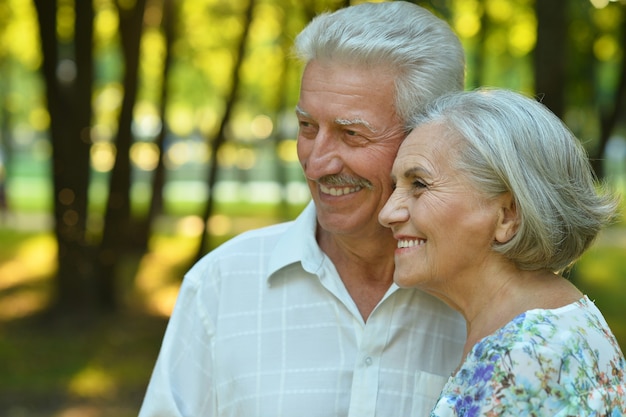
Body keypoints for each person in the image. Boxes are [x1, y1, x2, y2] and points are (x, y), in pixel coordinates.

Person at [139, 2, 468, 416]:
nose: (317, 163)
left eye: (351, 134)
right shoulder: (221, 285)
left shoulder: (482, 299)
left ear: (428, 140)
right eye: (307, 127)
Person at [378, 88, 626, 416]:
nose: (387, 213)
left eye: (419, 185)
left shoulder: (524, 357)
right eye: (396, 186)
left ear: (507, 215)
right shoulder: (547, 330)